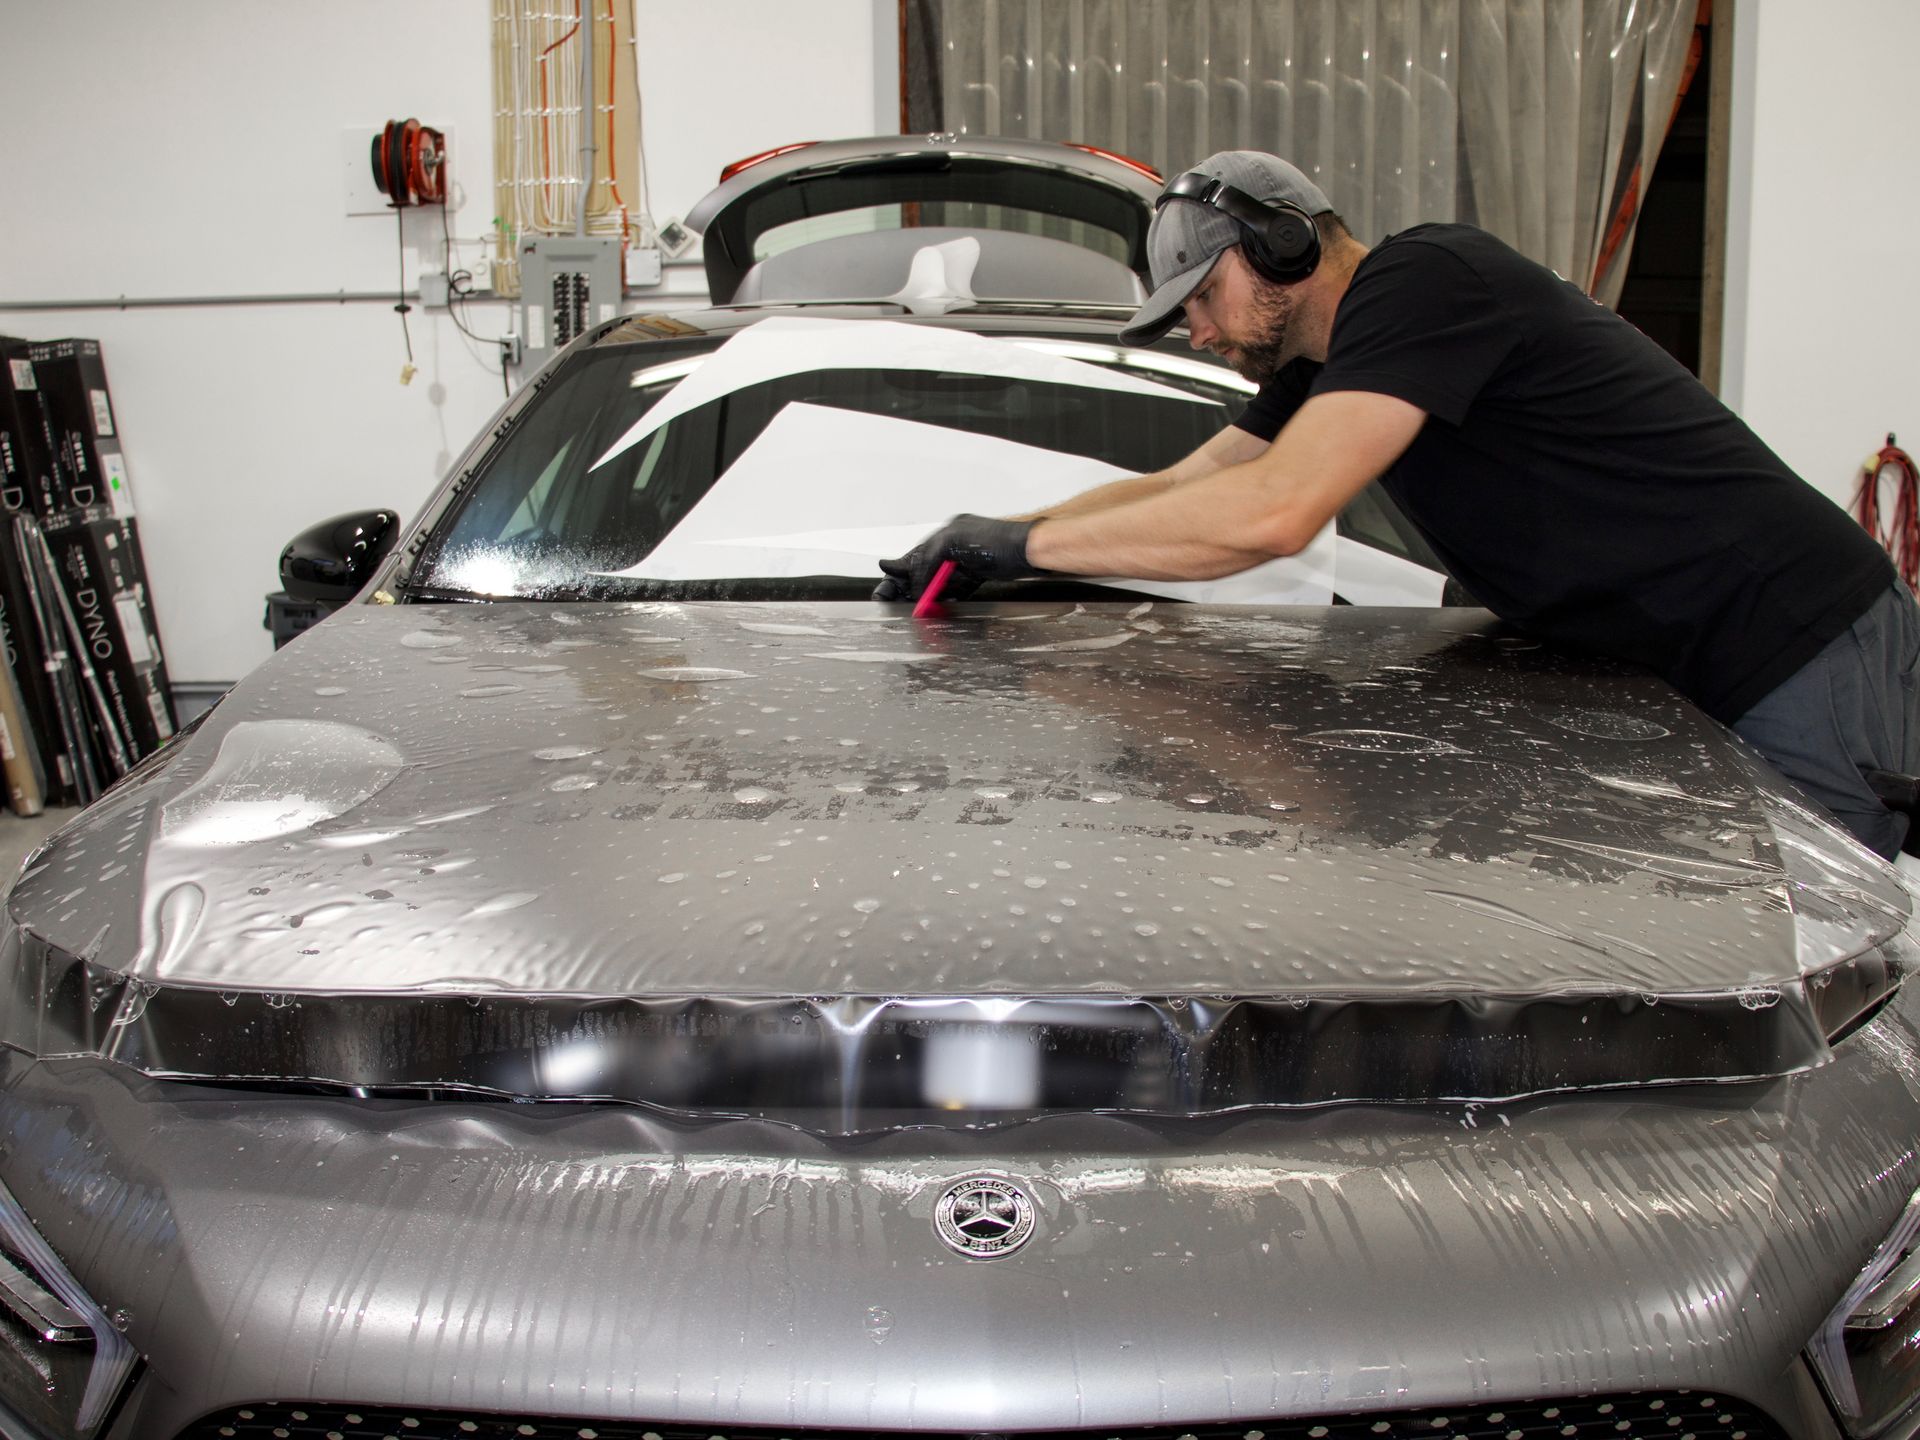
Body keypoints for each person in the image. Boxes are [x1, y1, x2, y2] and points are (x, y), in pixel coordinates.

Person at [875, 150, 1920, 859]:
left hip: (1798, 647)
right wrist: (997, 544)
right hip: (1687, 672)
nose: (1194, 328)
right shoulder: (1328, 369)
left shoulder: (1428, 281)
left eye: (1200, 296)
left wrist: (1023, 545)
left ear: (1279, 245)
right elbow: (1189, 488)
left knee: (1820, 967)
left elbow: (1271, 516)